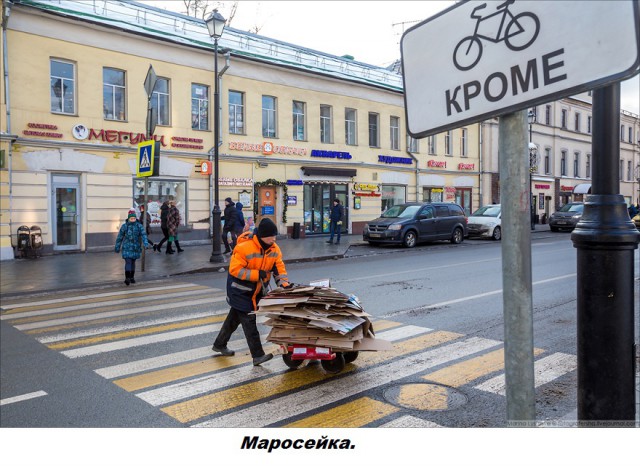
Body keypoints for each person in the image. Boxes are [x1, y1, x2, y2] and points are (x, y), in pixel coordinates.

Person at [212, 218, 291, 366]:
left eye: (275, 236)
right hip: (239, 290)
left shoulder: (274, 249)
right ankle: (257, 355)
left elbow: (279, 268)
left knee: (234, 318)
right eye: (270, 236)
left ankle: (219, 344)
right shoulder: (244, 248)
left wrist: (285, 285)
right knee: (249, 322)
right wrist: (257, 274)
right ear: (261, 235)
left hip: (256, 290)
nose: (274, 239)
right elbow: (235, 270)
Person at [115, 209, 149, 285]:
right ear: (128, 218)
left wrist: (146, 244)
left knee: (133, 263)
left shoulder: (139, 226)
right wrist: (117, 247)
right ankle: (127, 278)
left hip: (135, 248)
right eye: (131, 218)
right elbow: (119, 237)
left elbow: (143, 235)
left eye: (134, 218)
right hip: (127, 247)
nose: (133, 220)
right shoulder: (125, 226)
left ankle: (132, 277)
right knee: (128, 262)